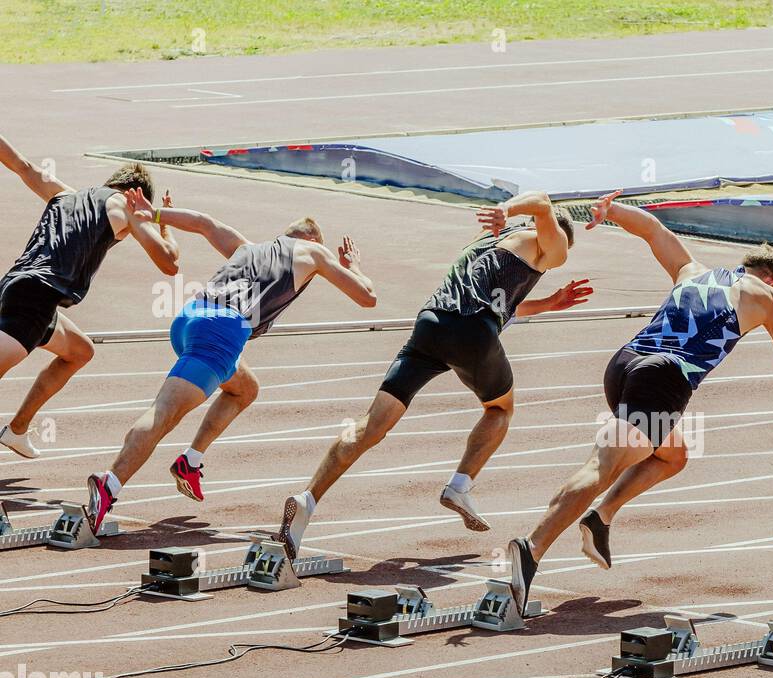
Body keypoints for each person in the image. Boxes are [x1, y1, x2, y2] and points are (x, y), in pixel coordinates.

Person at [505, 188, 773, 612]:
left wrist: (611, 211)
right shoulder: (766, 295)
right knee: (600, 466)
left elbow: (654, 231)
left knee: (671, 455)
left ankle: (601, 517)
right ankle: (531, 548)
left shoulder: (693, 269)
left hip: (623, 365)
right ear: (771, 279)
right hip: (664, 378)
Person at [274, 191, 587, 559]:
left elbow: (504, 305)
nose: (554, 263)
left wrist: (548, 303)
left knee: (371, 425)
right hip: (471, 330)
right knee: (500, 409)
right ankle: (459, 485)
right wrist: (508, 207)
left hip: (431, 324)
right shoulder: (551, 242)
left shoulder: (491, 243)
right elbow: (544, 204)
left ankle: (307, 499)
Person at [86, 197, 377, 533]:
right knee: (163, 412)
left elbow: (204, 222)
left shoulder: (246, 248)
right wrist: (352, 265)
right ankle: (110, 483)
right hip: (222, 330)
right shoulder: (314, 252)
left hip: (189, 319)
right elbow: (367, 298)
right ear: (311, 240)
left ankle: (190, 462)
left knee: (245, 388)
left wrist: (156, 214)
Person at [0, 134, 180, 458]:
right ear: (136, 194)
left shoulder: (63, 193)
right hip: (37, 295)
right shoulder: (127, 207)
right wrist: (159, 219)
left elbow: (21, 165)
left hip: (17, 287)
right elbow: (169, 262)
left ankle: (17, 429)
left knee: (79, 351)